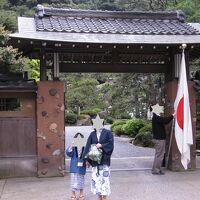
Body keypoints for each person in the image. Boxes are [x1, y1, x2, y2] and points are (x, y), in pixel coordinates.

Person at [84, 122, 114, 200]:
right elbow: (87, 146)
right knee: (96, 179)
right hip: (95, 160)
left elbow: (111, 144)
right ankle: (99, 196)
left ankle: (104, 197)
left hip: (104, 160)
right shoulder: (92, 134)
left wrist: (102, 145)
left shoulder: (108, 133)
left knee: (104, 179)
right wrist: (87, 159)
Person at [150, 106, 175, 175]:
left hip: (159, 139)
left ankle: (156, 169)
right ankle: (156, 170)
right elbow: (165, 121)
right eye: (159, 109)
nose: (161, 110)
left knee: (159, 155)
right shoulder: (156, 117)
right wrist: (173, 115)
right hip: (159, 139)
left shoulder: (155, 117)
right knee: (159, 155)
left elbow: (164, 120)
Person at [66, 133, 86, 200]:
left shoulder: (85, 147)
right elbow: (68, 153)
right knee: (73, 181)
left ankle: (81, 193)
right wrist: (71, 146)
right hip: (74, 166)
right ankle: (73, 194)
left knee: (81, 180)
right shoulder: (73, 147)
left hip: (82, 166)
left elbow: (87, 156)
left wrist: (88, 161)